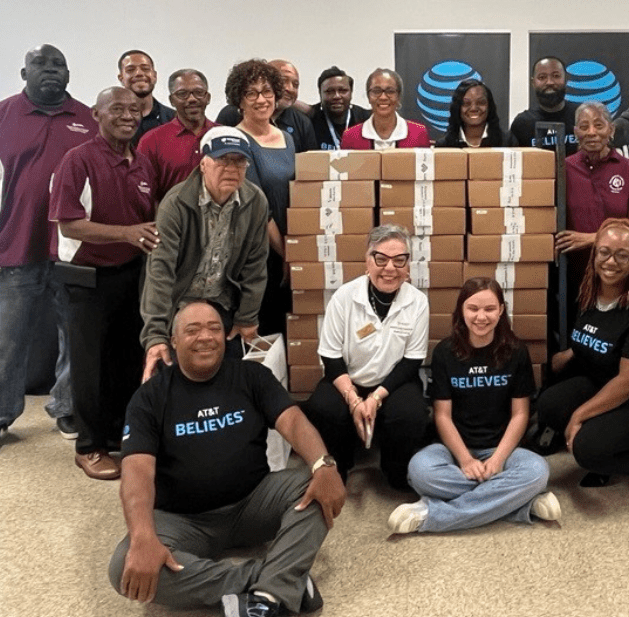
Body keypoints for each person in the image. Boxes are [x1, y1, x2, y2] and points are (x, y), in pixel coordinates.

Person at [109, 301, 345, 617]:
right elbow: (136, 470)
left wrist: (323, 464)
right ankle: (278, 582)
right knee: (124, 567)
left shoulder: (251, 375)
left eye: (215, 328)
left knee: (314, 483)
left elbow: (293, 421)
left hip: (253, 503)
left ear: (225, 336)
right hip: (183, 520)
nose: (205, 336)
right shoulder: (149, 398)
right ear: (174, 341)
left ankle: (272, 585)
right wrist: (141, 536)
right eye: (192, 330)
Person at [0, 44, 95, 460]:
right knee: (2, 340)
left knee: (76, 337)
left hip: (72, 253)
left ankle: (68, 408)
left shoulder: (89, 120)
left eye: (58, 65)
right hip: (11, 251)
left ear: (69, 74)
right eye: (41, 64)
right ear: (23, 72)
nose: (50, 71)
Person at [388, 278, 560, 534]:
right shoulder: (445, 352)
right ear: (461, 311)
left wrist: (499, 459)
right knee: (419, 472)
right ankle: (520, 503)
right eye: (473, 308)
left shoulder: (516, 351)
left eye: (490, 309)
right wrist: (466, 459)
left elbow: (520, 414)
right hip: (454, 451)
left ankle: (431, 515)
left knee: (537, 471)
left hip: (503, 448)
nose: (481, 317)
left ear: (501, 310)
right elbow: (442, 416)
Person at [49, 86, 157, 480]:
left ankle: (117, 435)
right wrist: (126, 234)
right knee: (89, 366)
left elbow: (149, 219)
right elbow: (69, 222)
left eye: (134, 109)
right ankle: (89, 446)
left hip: (131, 276)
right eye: (117, 109)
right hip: (87, 278)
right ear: (96, 114)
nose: (127, 115)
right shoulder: (78, 160)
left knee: (126, 362)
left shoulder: (142, 163)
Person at [532, 219, 629, 496]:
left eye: (622, 255)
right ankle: (610, 438)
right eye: (604, 252)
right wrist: (571, 352)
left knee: (587, 449)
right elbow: (604, 334)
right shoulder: (590, 292)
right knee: (549, 405)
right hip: (604, 381)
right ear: (594, 253)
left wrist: (579, 415)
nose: (611, 261)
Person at [301, 225, 431, 491]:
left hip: (393, 383)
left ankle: (395, 472)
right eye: (380, 259)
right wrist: (353, 399)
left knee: (411, 414)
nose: (389, 268)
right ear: (367, 261)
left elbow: (412, 361)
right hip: (347, 378)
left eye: (399, 260)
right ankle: (340, 467)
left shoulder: (417, 302)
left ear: (408, 265)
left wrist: (375, 398)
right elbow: (330, 356)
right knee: (323, 408)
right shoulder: (344, 297)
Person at [140, 126, 271, 383]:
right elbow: (160, 271)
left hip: (222, 303)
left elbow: (255, 266)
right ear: (203, 164)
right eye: (223, 160)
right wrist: (155, 334)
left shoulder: (256, 202)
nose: (232, 168)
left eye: (239, 161)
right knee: (175, 377)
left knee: (233, 380)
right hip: (180, 301)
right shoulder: (176, 203)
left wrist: (247, 316)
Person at [556, 101, 629, 328]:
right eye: (584, 126)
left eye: (599, 125)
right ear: (575, 132)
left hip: (621, 274)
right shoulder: (562, 169)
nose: (592, 132)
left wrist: (590, 239)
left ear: (611, 130)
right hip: (574, 276)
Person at [228, 59, 295, 336]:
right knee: (264, 331)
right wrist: (287, 254)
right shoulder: (237, 140)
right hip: (260, 252)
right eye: (251, 93)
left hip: (290, 245)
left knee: (291, 328)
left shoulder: (287, 138)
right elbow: (258, 208)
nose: (261, 99)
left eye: (267, 91)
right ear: (239, 100)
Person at [137, 69, 216, 203]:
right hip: (172, 221)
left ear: (207, 97)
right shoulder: (151, 141)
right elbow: (144, 194)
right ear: (172, 100)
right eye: (182, 94)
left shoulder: (225, 135)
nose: (192, 99)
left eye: (198, 93)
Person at [218, 60, 318, 153]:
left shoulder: (302, 123)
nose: (290, 89)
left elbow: (311, 165)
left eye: (295, 85)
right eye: (284, 81)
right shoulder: (231, 114)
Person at [341, 69, 430, 149]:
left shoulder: (419, 133)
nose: (383, 97)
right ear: (368, 97)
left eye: (390, 91)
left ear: (398, 97)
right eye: (376, 91)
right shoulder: (350, 137)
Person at [508, 56, 578, 155]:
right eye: (542, 77)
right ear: (533, 82)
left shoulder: (581, 116)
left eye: (556, 76)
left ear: (565, 80)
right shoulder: (522, 124)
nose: (549, 82)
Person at [117, 50, 175, 147]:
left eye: (145, 68)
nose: (139, 73)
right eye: (130, 70)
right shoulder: (106, 120)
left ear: (154, 76)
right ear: (121, 78)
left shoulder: (174, 119)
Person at [310, 66, 371, 150]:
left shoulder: (366, 119)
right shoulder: (310, 120)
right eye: (329, 91)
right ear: (320, 94)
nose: (337, 96)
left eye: (343, 91)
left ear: (351, 92)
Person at [436, 79, 507, 148]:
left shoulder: (506, 142)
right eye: (466, 104)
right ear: (457, 108)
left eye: (481, 103)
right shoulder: (444, 146)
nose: (473, 108)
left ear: (489, 106)